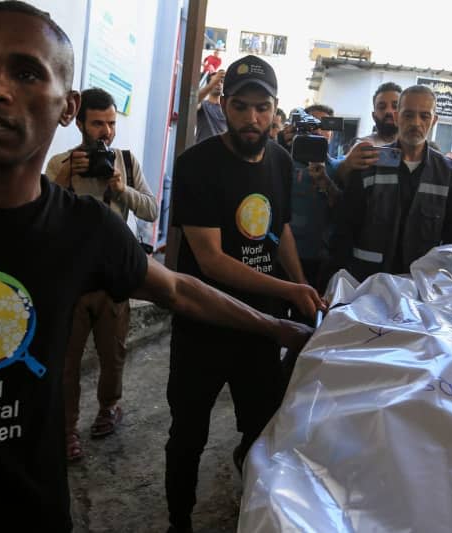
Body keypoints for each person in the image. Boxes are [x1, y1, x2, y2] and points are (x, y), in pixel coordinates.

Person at [0, 4, 313, 531]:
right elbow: (201, 264)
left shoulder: (84, 229)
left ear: (65, 106)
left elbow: (179, 289)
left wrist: (280, 324)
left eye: (27, 71)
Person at [166, 55, 325, 533]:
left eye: (262, 108)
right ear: (224, 104)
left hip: (262, 330)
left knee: (262, 429)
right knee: (188, 435)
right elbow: (210, 259)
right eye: (240, 106)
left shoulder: (280, 159)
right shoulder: (196, 165)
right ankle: (178, 521)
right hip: (205, 324)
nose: (251, 119)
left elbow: (281, 232)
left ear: (276, 110)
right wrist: (289, 288)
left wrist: (302, 288)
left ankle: (254, 512)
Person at [45, 87, 158, 461]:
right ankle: (66, 428)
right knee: (66, 362)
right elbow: (41, 213)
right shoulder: (61, 162)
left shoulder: (125, 160)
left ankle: (110, 407)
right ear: (79, 123)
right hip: (71, 278)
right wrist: (63, 178)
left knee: (113, 355)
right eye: (97, 123)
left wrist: (123, 191)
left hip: (113, 277)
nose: (106, 132)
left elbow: (152, 212)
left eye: (111, 123)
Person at [329, 84, 452, 286]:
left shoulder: (448, 175)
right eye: (408, 115)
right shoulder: (369, 165)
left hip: (422, 289)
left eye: (424, 116)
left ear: (434, 120)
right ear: (396, 117)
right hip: (368, 285)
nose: (416, 123)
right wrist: (338, 285)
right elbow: (344, 230)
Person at [288, 104, 344, 294]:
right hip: (285, 254)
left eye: (324, 126)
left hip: (320, 258)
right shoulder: (283, 161)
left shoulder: (339, 168)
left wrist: (325, 182)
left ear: (332, 133)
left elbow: (343, 209)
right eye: (311, 125)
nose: (318, 130)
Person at [333, 81, 402, 183]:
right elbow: (343, 183)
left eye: (395, 106)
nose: (389, 111)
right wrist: (347, 165)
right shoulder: (362, 146)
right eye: (382, 107)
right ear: (374, 116)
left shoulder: (417, 147)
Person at [195, 69, 226, 144]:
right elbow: (193, 102)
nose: (219, 84)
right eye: (216, 82)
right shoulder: (203, 105)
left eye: (221, 82)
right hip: (204, 151)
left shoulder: (227, 108)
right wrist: (211, 85)